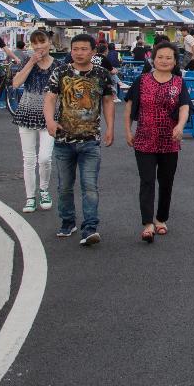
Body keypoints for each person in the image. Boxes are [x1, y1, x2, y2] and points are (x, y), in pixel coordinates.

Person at [44, 34, 116, 246]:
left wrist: (110, 128)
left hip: (90, 140)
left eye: (84, 49)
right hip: (63, 139)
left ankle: (90, 227)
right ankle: (67, 221)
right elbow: (50, 97)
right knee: (64, 186)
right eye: (75, 49)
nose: (79, 52)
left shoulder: (101, 74)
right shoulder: (61, 71)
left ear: (93, 52)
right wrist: (49, 120)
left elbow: (108, 101)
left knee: (90, 186)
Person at [124, 43, 190, 244]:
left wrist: (180, 125)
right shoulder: (142, 80)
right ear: (153, 58)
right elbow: (129, 106)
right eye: (160, 57)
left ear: (175, 61)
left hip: (169, 141)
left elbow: (184, 106)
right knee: (147, 181)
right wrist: (127, 130)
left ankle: (161, 219)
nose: (164, 61)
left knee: (166, 182)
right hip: (144, 139)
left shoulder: (179, 82)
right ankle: (147, 224)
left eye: (168, 57)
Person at [10, 30, 58, 214]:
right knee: (29, 159)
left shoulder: (59, 65)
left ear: (49, 42)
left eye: (42, 42)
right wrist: (31, 62)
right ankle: (30, 197)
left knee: (45, 157)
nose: (38, 46)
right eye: (34, 43)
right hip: (27, 112)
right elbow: (16, 83)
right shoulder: (27, 62)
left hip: (49, 116)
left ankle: (44, 189)